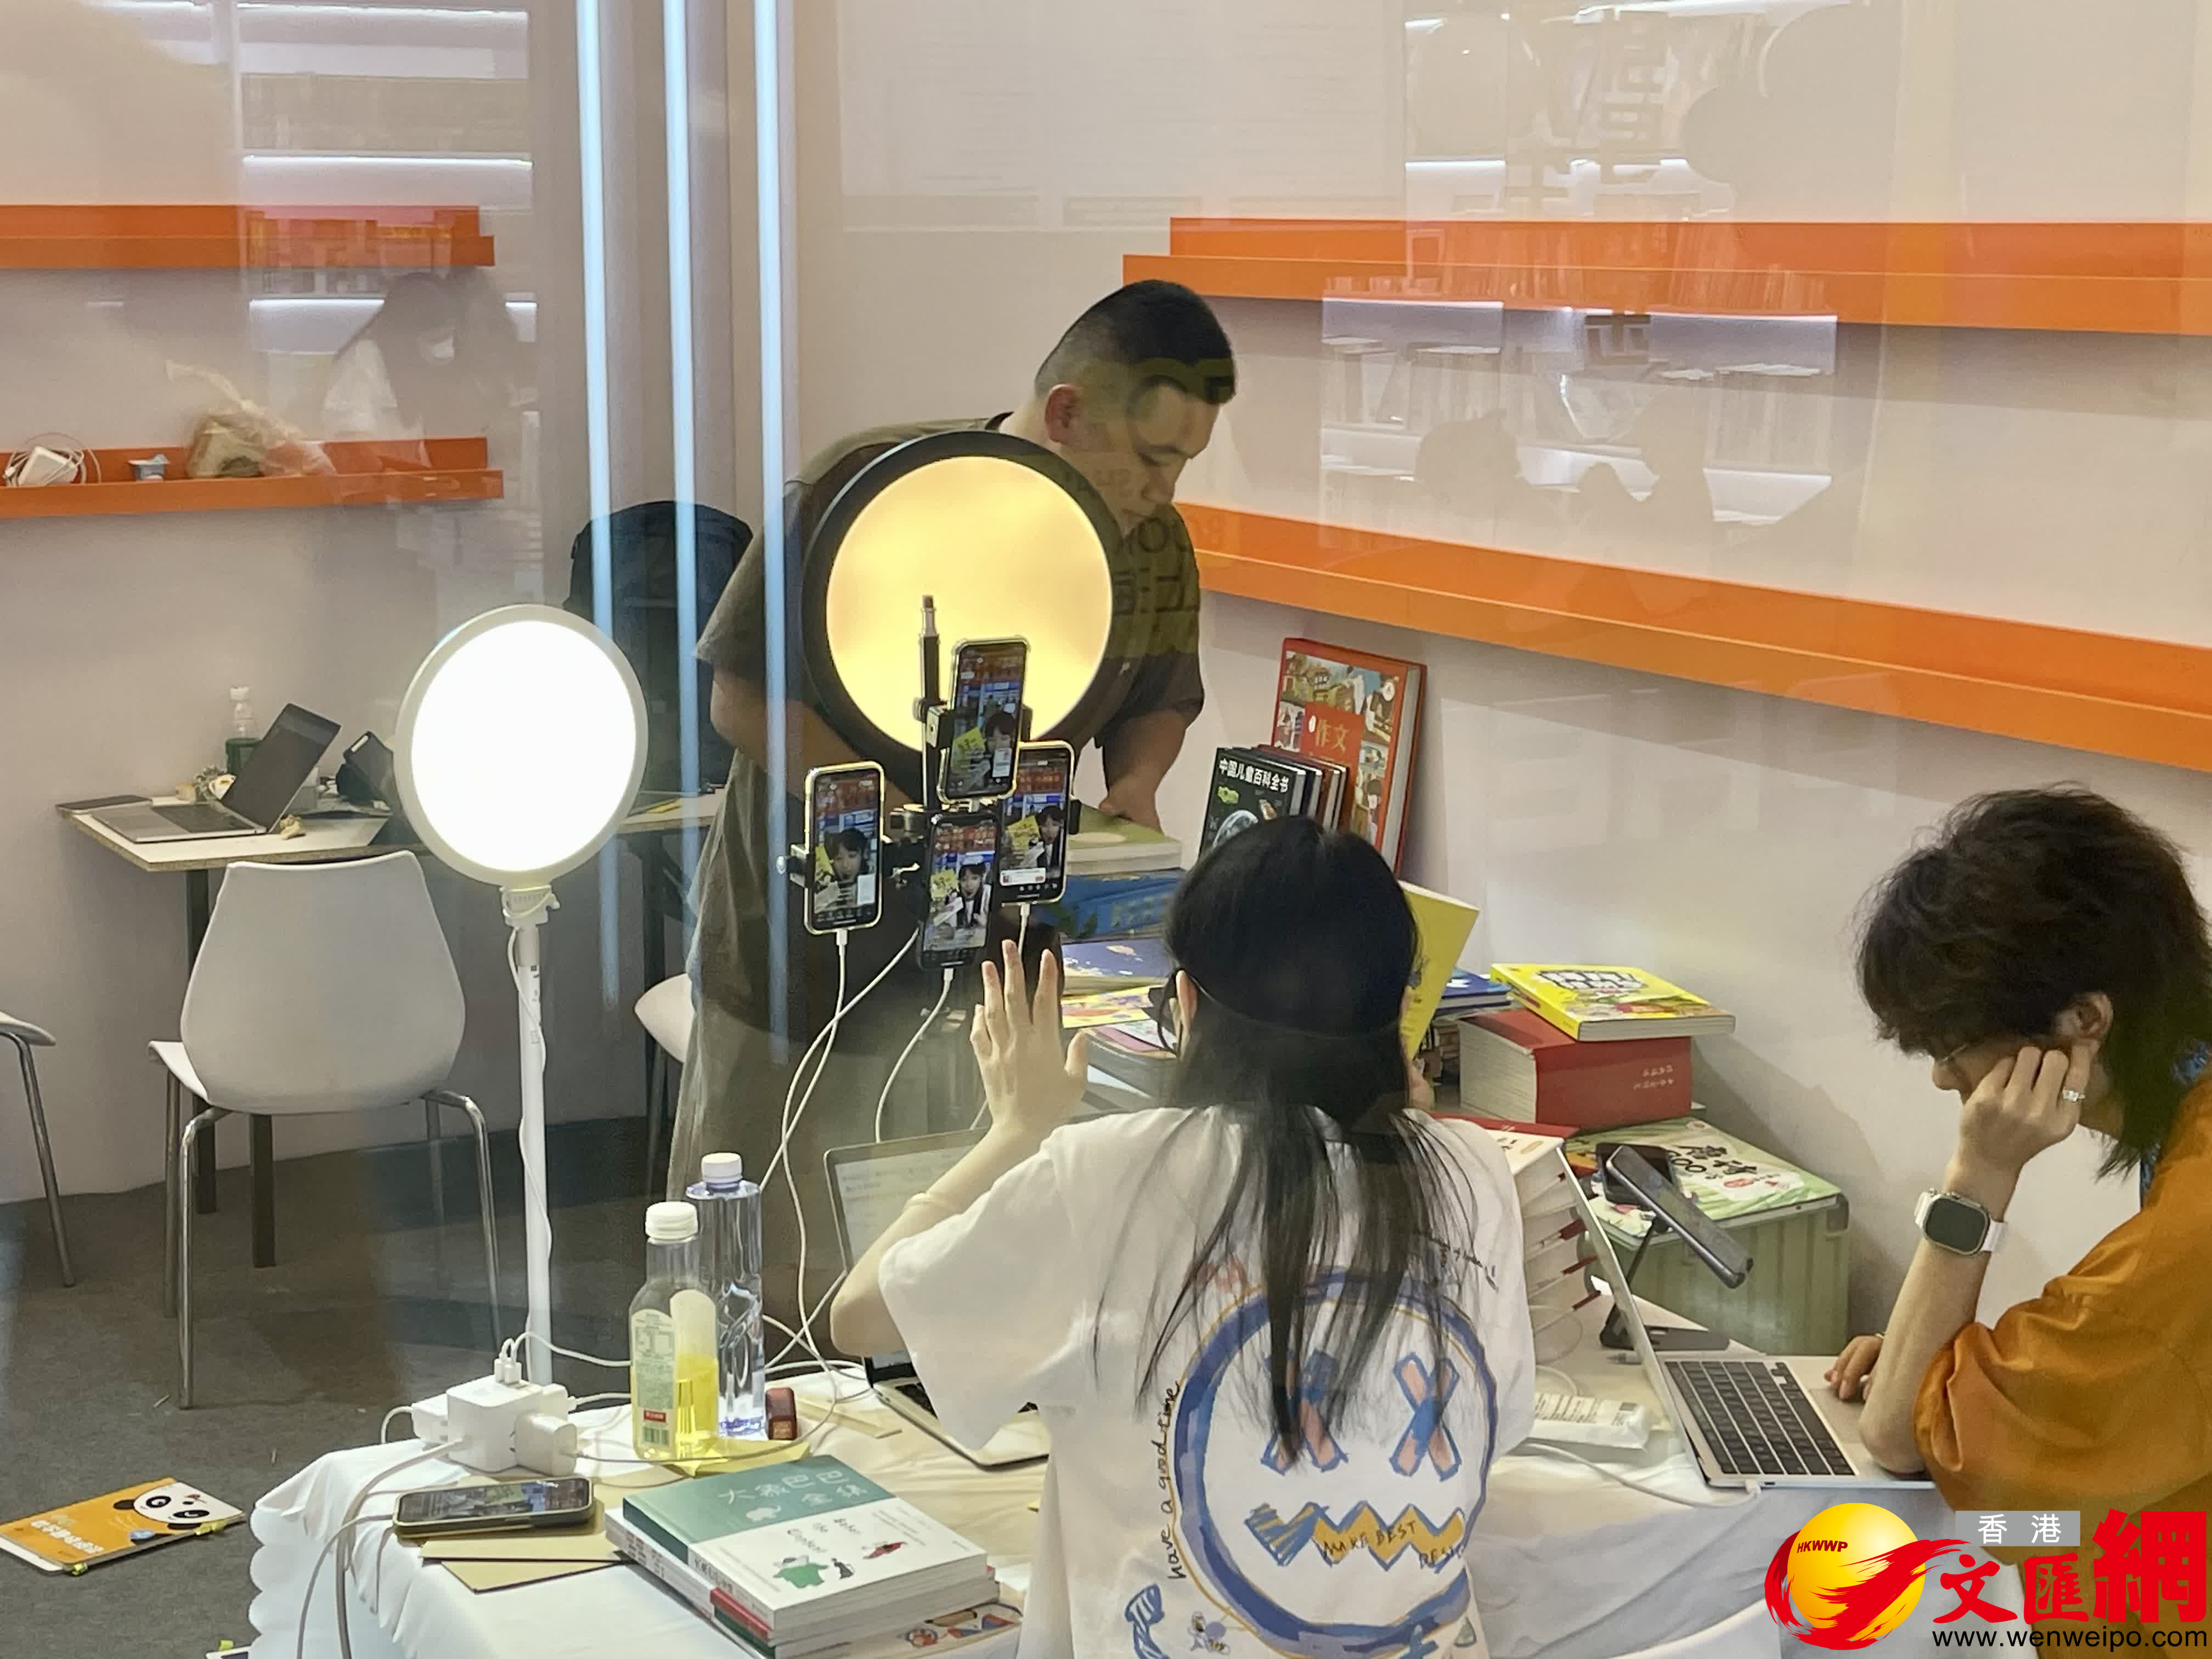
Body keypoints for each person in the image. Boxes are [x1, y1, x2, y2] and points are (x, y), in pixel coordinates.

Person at [831, 818, 1534, 1652]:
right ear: (1402, 1013)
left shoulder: (1110, 1176)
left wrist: (1014, 1132)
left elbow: (860, 1317)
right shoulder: (1473, 1172)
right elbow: (1498, 1426)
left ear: (1189, 1006)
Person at [673, 280, 1236, 1312]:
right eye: (1153, 456)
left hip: (995, 970)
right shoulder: (864, 488)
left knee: (957, 1266)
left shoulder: (1149, 543)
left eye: (1185, 465)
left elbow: (1159, 694)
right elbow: (742, 700)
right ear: (1066, 411)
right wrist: (903, 812)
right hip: (804, 948)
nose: (1164, 491)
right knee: (771, 1266)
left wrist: (1136, 785)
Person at [1827, 788, 2212, 1634]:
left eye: (1953, 1046)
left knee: (1891, 1567)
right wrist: (1943, 1373)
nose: (1943, 1077)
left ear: (2085, 1019)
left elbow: (1896, 1438)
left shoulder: (2190, 1233)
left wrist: (1980, 1175)